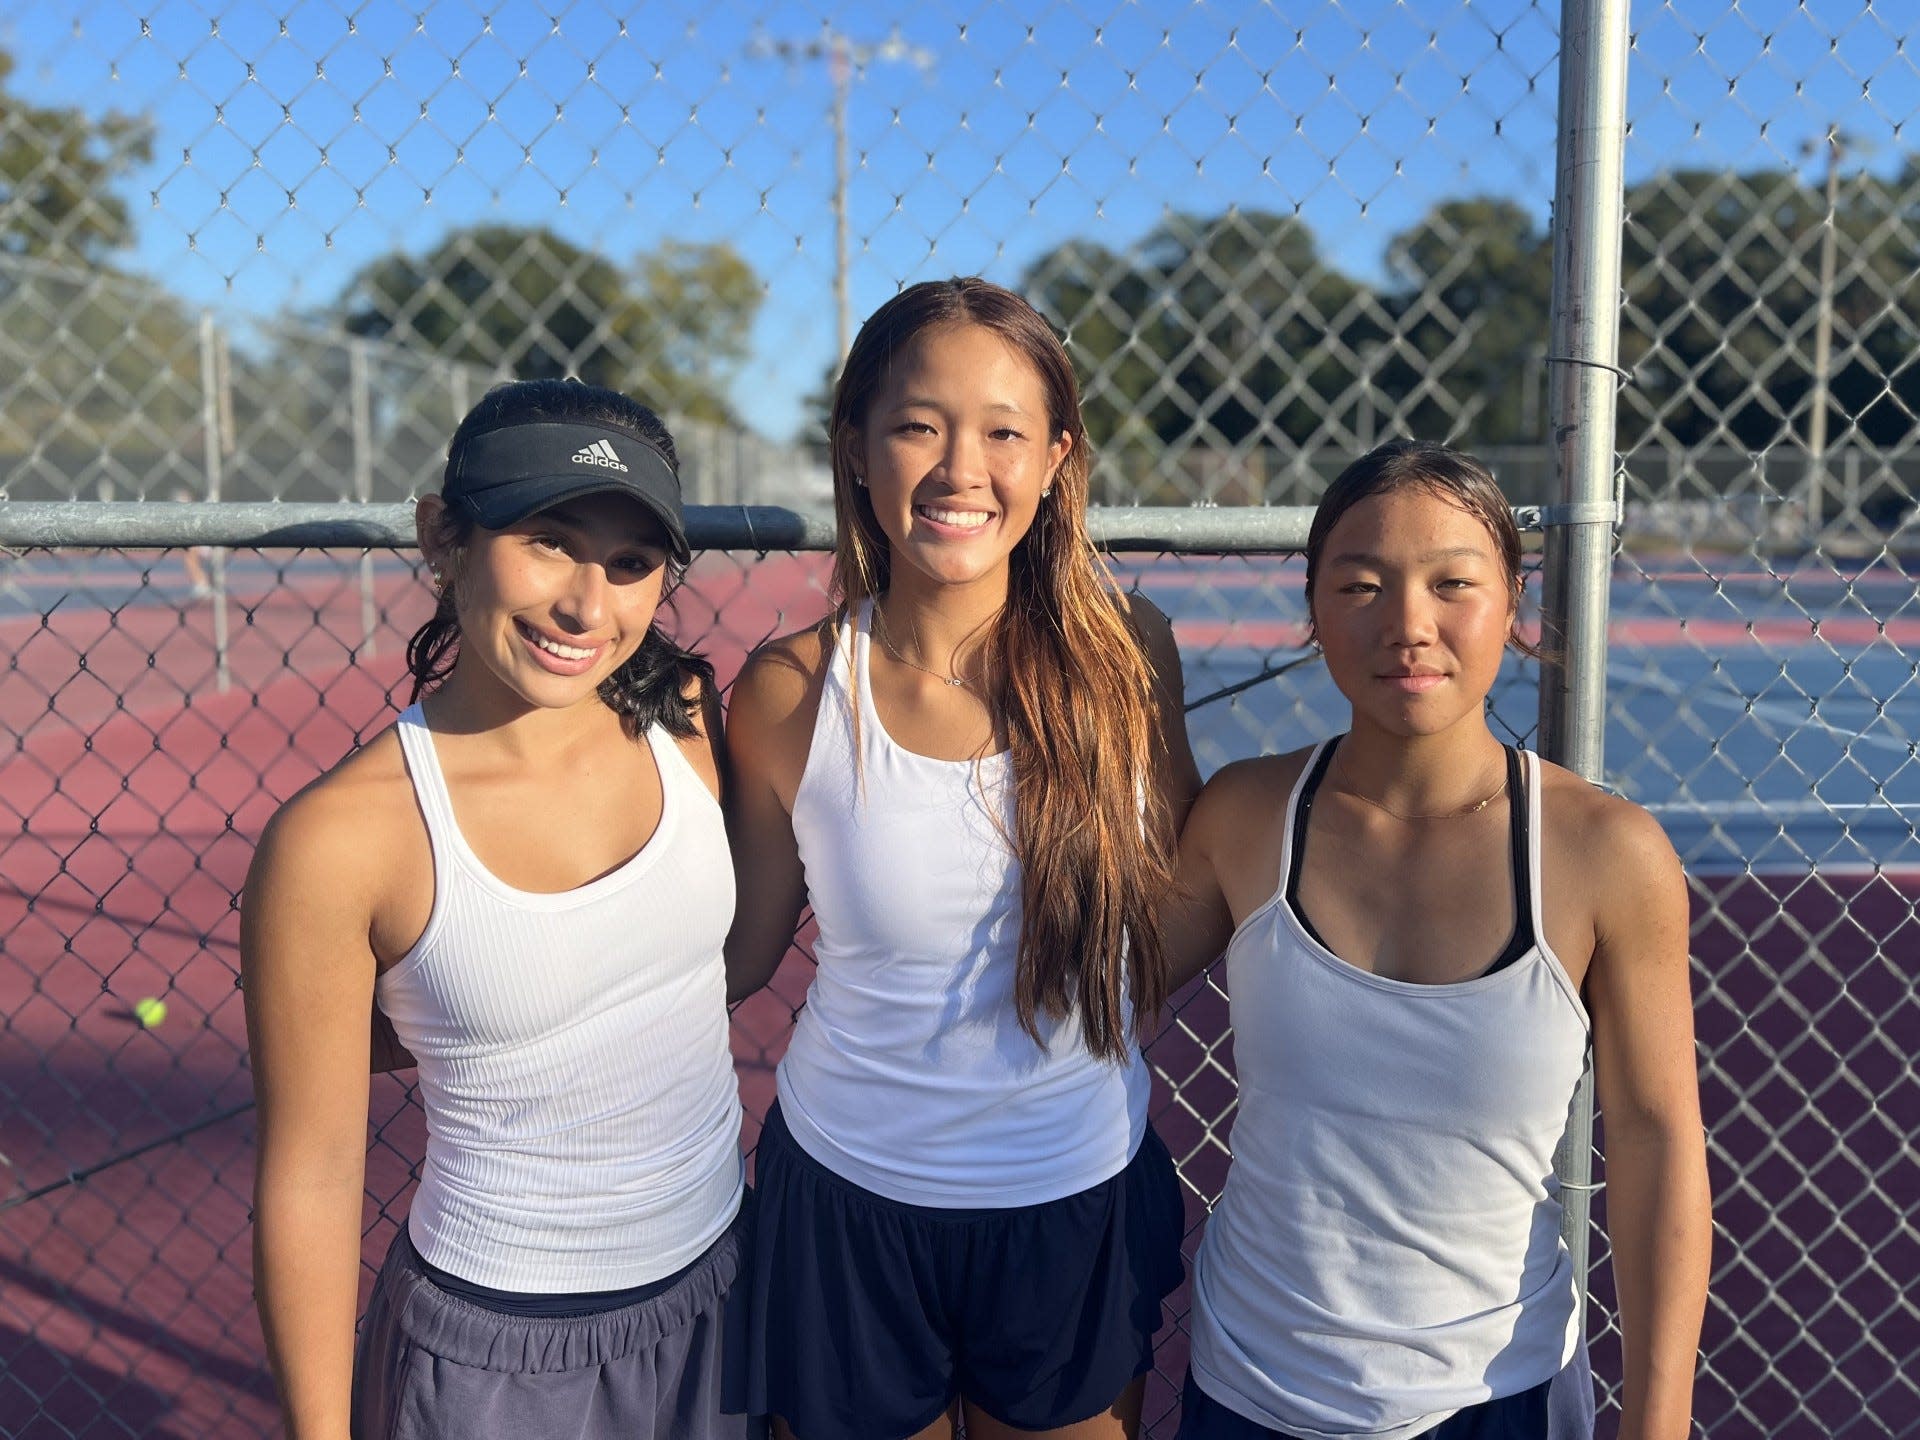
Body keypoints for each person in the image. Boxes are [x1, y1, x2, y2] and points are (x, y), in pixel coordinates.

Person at [724, 277, 1201, 1440]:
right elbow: (734, 956)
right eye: (917, 424)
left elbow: (1182, 903)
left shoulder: (1129, 655)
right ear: (855, 450)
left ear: (1054, 460)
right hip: (846, 1203)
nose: (959, 469)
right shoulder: (790, 688)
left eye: (1002, 431)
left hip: (1069, 1201)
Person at [1166, 439, 1712, 1440]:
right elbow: (1089, 985)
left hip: (1494, 1398)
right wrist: (1133, 699)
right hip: (1248, 1390)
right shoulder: (1246, 815)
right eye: (1362, 584)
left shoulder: (1605, 852)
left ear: (1513, 604)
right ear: (1315, 614)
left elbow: (1654, 1136)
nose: (1408, 624)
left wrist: (1659, 1419)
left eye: (1453, 582)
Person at [241, 378, 754, 1440]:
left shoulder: (687, 720)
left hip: (724, 1293)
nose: (586, 605)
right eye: (547, 540)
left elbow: (679, 973)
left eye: (629, 563)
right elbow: (315, 1174)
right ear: (443, 537)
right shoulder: (337, 841)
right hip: (497, 1362)